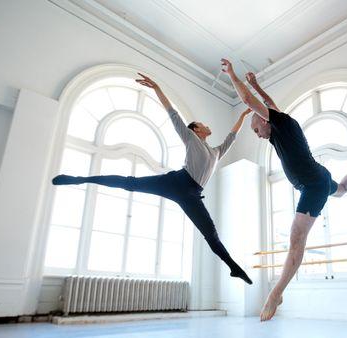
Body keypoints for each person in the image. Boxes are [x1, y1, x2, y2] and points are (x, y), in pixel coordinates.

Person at [221, 60, 347, 319]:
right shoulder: (281, 128)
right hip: (318, 178)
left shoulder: (283, 124)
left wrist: (233, 75)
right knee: (342, 188)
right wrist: (257, 84)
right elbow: (269, 103)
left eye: (257, 129)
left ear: (264, 120)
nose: (258, 135)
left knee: (296, 238)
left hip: (313, 183)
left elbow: (250, 101)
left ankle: (275, 293)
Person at [52, 73, 253, 285]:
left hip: (192, 195)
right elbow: (172, 113)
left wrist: (243, 116)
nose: (206, 125)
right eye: (202, 123)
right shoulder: (190, 136)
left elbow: (232, 136)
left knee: (211, 234)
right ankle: (79, 179)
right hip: (177, 182)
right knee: (130, 183)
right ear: (196, 129)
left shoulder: (216, 152)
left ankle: (233, 268)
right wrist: (157, 87)